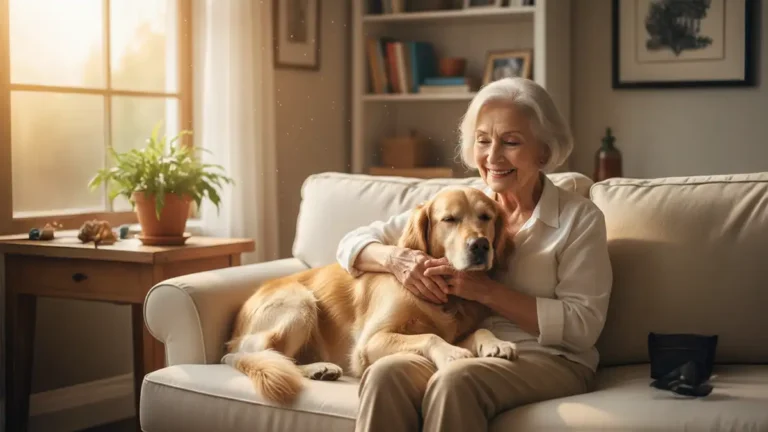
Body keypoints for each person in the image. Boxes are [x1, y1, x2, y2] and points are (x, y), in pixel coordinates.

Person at [335, 77, 613, 432]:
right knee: (385, 373)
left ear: (543, 152)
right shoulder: (461, 203)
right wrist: (397, 260)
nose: (493, 157)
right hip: (464, 347)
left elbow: (582, 327)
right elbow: (352, 244)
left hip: (549, 358)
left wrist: (485, 291)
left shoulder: (580, 219)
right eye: (483, 140)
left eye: (511, 142)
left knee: (456, 380)